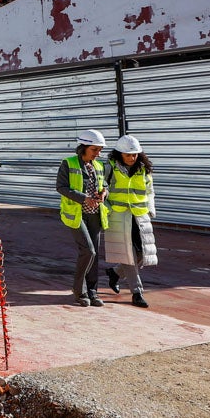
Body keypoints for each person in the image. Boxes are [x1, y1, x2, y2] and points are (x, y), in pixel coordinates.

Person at [56, 129, 110, 307]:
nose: (98, 153)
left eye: (100, 150)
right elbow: (61, 187)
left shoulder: (98, 166)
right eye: (95, 150)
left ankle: (92, 292)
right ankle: (79, 291)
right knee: (88, 251)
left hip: (95, 215)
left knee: (94, 254)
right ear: (84, 147)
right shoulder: (68, 163)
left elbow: (105, 185)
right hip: (76, 215)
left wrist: (104, 194)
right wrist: (83, 198)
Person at [103, 134, 156, 307]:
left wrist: (150, 209)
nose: (132, 158)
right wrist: (108, 209)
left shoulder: (143, 169)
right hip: (119, 216)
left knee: (142, 255)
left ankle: (115, 273)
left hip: (140, 216)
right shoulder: (110, 167)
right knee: (129, 256)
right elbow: (102, 190)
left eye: (134, 154)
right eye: (128, 155)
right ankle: (137, 292)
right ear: (119, 154)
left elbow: (149, 191)